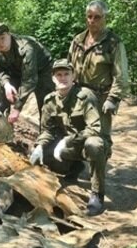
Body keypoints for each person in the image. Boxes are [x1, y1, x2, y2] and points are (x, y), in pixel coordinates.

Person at [30, 59, 107, 215]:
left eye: (66, 74)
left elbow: (95, 128)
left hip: (86, 143)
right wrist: (39, 145)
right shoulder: (49, 100)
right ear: (53, 78)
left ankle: (97, 194)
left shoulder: (85, 96)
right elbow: (48, 130)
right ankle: (74, 168)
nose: (63, 78)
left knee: (94, 145)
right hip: (68, 147)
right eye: (59, 75)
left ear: (73, 77)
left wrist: (67, 140)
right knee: (43, 155)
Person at [67, 0, 129, 152]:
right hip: (78, 96)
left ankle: (98, 175)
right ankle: (75, 172)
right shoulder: (78, 40)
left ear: (104, 18)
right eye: (89, 16)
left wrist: (113, 99)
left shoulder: (113, 42)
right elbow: (69, 66)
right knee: (75, 135)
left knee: (99, 142)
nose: (92, 20)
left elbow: (121, 74)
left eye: (97, 17)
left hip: (100, 99)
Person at [0, 22, 54, 126]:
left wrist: (17, 108)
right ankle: (0, 126)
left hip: (42, 70)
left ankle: (49, 134)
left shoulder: (27, 47)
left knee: (46, 102)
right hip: (15, 71)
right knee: (1, 92)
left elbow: (29, 80)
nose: (0, 43)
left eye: (3, 38)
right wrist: (7, 85)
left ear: (9, 34)